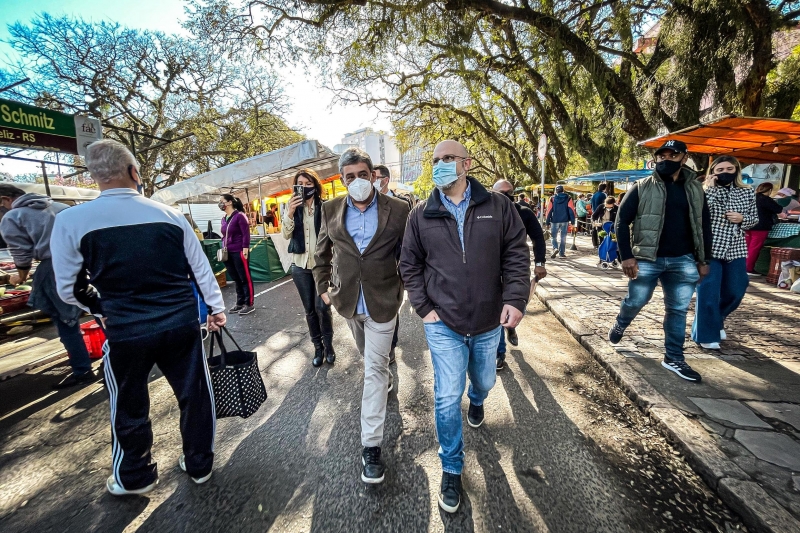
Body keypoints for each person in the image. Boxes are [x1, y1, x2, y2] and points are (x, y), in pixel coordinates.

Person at [50, 139, 226, 496]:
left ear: (94, 176)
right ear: (134, 172)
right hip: (180, 323)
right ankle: (199, 463)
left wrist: (103, 309)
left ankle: (135, 475)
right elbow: (200, 269)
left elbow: (68, 288)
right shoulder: (170, 216)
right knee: (194, 394)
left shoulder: (70, 220)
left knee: (128, 402)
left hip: (126, 330)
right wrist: (216, 308)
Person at [399, 140, 530, 513]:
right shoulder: (421, 214)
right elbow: (409, 264)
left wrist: (516, 298)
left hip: (489, 321)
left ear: (466, 164)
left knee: (485, 382)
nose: (441, 165)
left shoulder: (498, 205)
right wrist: (424, 308)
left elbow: (516, 253)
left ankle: (477, 400)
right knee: (445, 396)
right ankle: (452, 467)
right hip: (444, 323)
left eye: (448, 159)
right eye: (436, 160)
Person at [313, 147, 410, 485]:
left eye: (362, 175)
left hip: (384, 301)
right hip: (349, 302)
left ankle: (371, 447)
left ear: (373, 176)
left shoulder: (398, 209)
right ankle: (384, 370)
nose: (356, 181)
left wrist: (411, 287)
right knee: (371, 359)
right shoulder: (329, 209)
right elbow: (320, 252)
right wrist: (324, 288)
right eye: (349, 177)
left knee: (373, 369)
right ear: (342, 180)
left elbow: (408, 254)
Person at [609, 139, 712, 383]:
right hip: (646, 258)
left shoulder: (695, 189)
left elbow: (703, 225)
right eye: (661, 156)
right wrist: (627, 256)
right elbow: (622, 221)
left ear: (684, 157)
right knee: (636, 300)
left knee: (677, 310)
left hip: (683, 259)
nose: (666, 160)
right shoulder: (642, 186)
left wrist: (704, 259)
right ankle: (622, 322)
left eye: (672, 155)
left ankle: (674, 357)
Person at [0, 184, 95, 389]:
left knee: (65, 321)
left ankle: (82, 370)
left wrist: (20, 277)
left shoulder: (13, 216)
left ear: (6, 199)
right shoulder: (60, 206)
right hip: (85, 263)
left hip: (54, 268)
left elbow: (21, 254)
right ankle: (113, 357)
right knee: (96, 310)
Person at [691, 156, 757, 350]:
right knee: (708, 292)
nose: (725, 173)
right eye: (720, 170)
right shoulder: (703, 190)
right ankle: (706, 334)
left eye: (730, 169)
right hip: (709, 248)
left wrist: (742, 219)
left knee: (737, 289)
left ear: (736, 170)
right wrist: (709, 189)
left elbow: (754, 219)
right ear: (713, 171)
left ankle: (716, 319)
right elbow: (698, 215)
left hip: (735, 248)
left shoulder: (747, 192)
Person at [492, 179, 547, 370]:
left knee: (515, 306)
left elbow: (538, 237)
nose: (506, 197)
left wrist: (540, 263)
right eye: (501, 193)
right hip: (491, 270)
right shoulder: (486, 212)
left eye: (510, 193)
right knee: (496, 310)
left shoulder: (523, 213)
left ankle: (511, 326)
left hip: (515, 270)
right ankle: (499, 353)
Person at [283, 169, 335, 367]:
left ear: (315, 184)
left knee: (323, 307)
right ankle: (318, 348)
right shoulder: (292, 209)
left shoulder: (325, 207)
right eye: (299, 184)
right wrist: (289, 212)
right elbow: (286, 235)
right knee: (310, 310)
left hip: (322, 266)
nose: (303, 187)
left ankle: (329, 345)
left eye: (307, 183)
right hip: (300, 266)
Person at [375, 164, 409, 363]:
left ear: (385, 180)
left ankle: (391, 346)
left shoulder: (401, 203)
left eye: (375, 177)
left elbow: (408, 237)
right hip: (373, 267)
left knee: (391, 308)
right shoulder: (367, 202)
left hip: (394, 265)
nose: (371, 181)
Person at [219, 193, 254, 315]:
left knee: (244, 277)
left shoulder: (240, 216)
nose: (220, 203)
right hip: (228, 252)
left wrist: (245, 249)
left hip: (239, 251)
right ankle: (240, 303)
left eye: (222, 201)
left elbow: (246, 233)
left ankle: (249, 303)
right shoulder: (224, 218)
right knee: (236, 278)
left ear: (229, 202)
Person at [745, 183, 783, 275]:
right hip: (760, 227)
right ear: (769, 190)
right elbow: (778, 209)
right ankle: (748, 269)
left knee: (746, 247)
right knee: (754, 248)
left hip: (747, 225)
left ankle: (741, 268)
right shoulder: (766, 199)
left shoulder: (750, 197)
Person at [545, 185, 576, 258]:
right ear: (563, 190)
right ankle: (562, 253)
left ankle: (555, 248)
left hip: (554, 220)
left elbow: (549, 210)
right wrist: (572, 221)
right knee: (563, 237)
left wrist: (547, 222)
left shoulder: (552, 199)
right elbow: (571, 210)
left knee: (553, 237)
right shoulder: (568, 198)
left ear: (556, 191)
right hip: (565, 220)